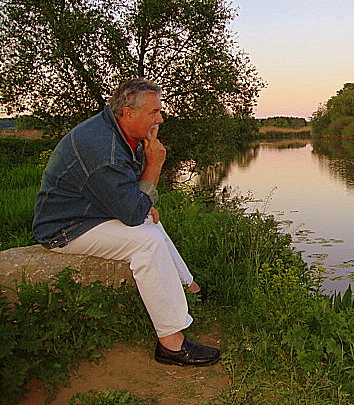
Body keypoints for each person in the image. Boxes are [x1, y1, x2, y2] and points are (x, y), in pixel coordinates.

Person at [33, 78, 220, 366]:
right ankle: (171, 344)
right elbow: (132, 211)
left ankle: (190, 287)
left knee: (151, 223)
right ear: (128, 113)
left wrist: (141, 203)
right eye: (154, 112)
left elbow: (129, 196)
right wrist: (154, 164)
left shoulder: (115, 130)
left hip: (90, 211)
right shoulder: (102, 148)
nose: (160, 118)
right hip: (64, 227)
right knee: (147, 241)